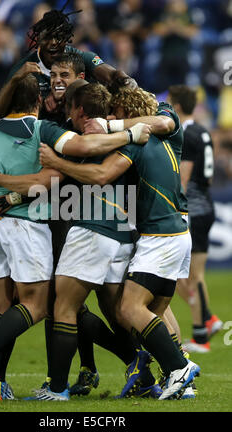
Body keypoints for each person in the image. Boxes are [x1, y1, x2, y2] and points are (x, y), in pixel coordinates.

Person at [0, 75, 151, 401]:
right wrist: (129, 133)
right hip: (77, 224)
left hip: (82, 225)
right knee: (66, 306)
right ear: (38, 101)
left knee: (63, 306)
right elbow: (52, 175)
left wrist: (6, 189)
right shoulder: (51, 130)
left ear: (76, 108)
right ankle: (123, 364)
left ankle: (2, 364)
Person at [38, 85, 201, 401]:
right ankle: (180, 381)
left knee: (129, 309)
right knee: (155, 314)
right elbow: (162, 121)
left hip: (159, 237)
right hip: (179, 234)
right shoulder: (171, 129)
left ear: (129, 113)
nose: (112, 117)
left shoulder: (137, 145)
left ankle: (180, 367)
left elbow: (100, 174)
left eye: (117, 113)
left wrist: (58, 162)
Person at [0, 1, 137, 122]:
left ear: (67, 39)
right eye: (48, 37)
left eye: (59, 37)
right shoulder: (24, 69)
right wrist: (17, 81)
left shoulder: (82, 57)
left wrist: (124, 79)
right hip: (41, 135)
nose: (53, 42)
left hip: (82, 129)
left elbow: (111, 75)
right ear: (39, 39)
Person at [168, 84, 223, 353]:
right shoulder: (202, 131)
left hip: (195, 209)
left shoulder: (187, 134)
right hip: (206, 204)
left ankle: (201, 336)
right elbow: (209, 176)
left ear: (177, 106)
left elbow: (183, 179)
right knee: (189, 276)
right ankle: (208, 319)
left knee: (193, 275)